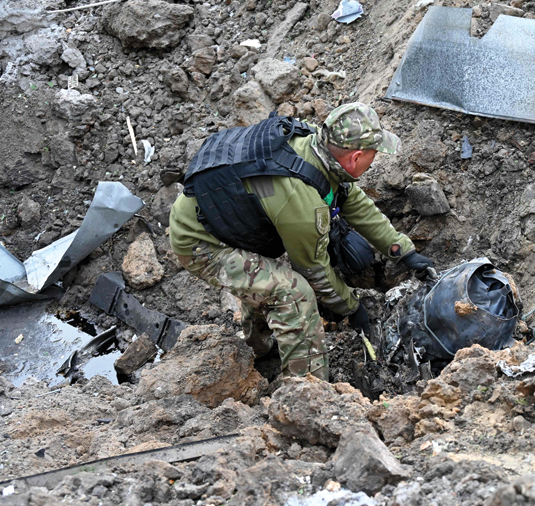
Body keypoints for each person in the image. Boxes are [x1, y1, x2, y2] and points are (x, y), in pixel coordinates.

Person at [168, 102, 433, 380]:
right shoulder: (304, 206)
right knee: (293, 293)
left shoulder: (316, 142)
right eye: (373, 154)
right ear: (355, 157)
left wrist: (400, 249)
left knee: (267, 278)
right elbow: (314, 271)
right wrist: (351, 307)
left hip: (222, 216)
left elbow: (350, 196)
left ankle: (258, 349)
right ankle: (306, 386)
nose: (374, 159)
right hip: (199, 242)